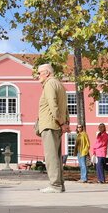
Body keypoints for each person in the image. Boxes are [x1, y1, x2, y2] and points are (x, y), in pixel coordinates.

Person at [35, 64, 68, 193]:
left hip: (50, 124)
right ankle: (60, 184)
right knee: (56, 157)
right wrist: (65, 123)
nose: (38, 76)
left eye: (39, 73)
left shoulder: (49, 84)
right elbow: (64, 107)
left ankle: (55, 185)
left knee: (51, 157)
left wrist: (61, 122)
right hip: (56, 125)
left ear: (47, 73)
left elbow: (53, 105)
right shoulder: (60, 85)